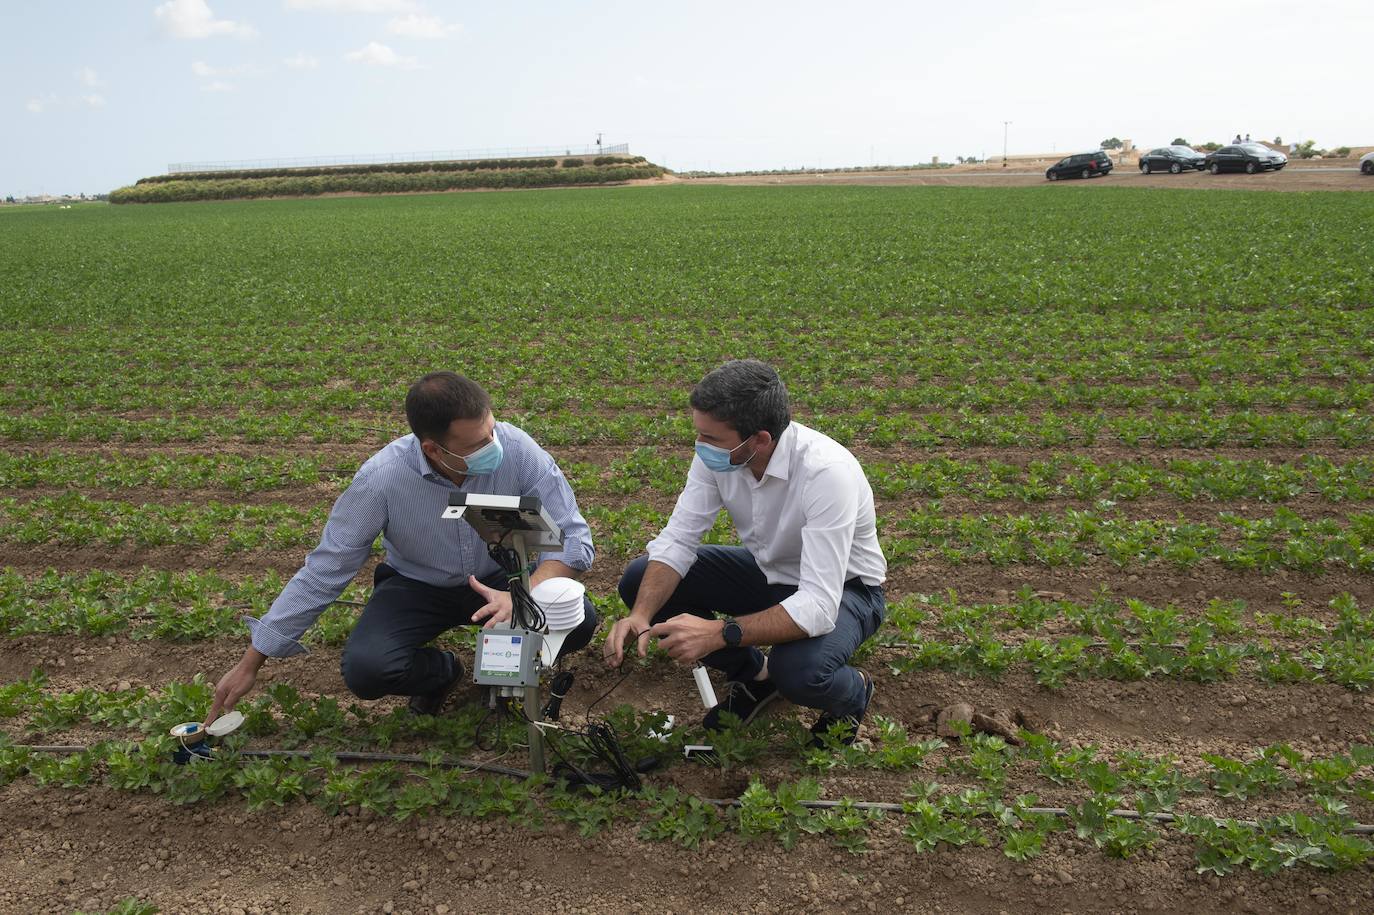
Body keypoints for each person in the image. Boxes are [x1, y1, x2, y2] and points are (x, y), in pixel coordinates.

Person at [205, 372, 597, 725]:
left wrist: (522, 595)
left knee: (577, 620)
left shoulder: (518, 450)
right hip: (417, 586)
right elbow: (327, 568)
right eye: (477, 444)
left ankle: (501, 672)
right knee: (368, 669)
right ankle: (444, 674)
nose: (493, 446)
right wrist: (252, 661)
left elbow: (574, 539)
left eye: (492, 431)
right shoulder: (382, 479)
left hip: (499, 577)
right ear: (434, 450)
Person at [605, 360, 887, 746]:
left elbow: (819, 606)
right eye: (699, 434)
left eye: (710, 438)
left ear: (761, 440)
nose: (700, 446)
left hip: (846, 591)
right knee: (641, 580)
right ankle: (758, 677)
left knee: (799, 672)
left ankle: (852, 693)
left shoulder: (826, 473)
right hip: (770, 573)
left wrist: (720, 633)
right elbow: (679, 540)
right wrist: (640, 614)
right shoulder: (724, 455)